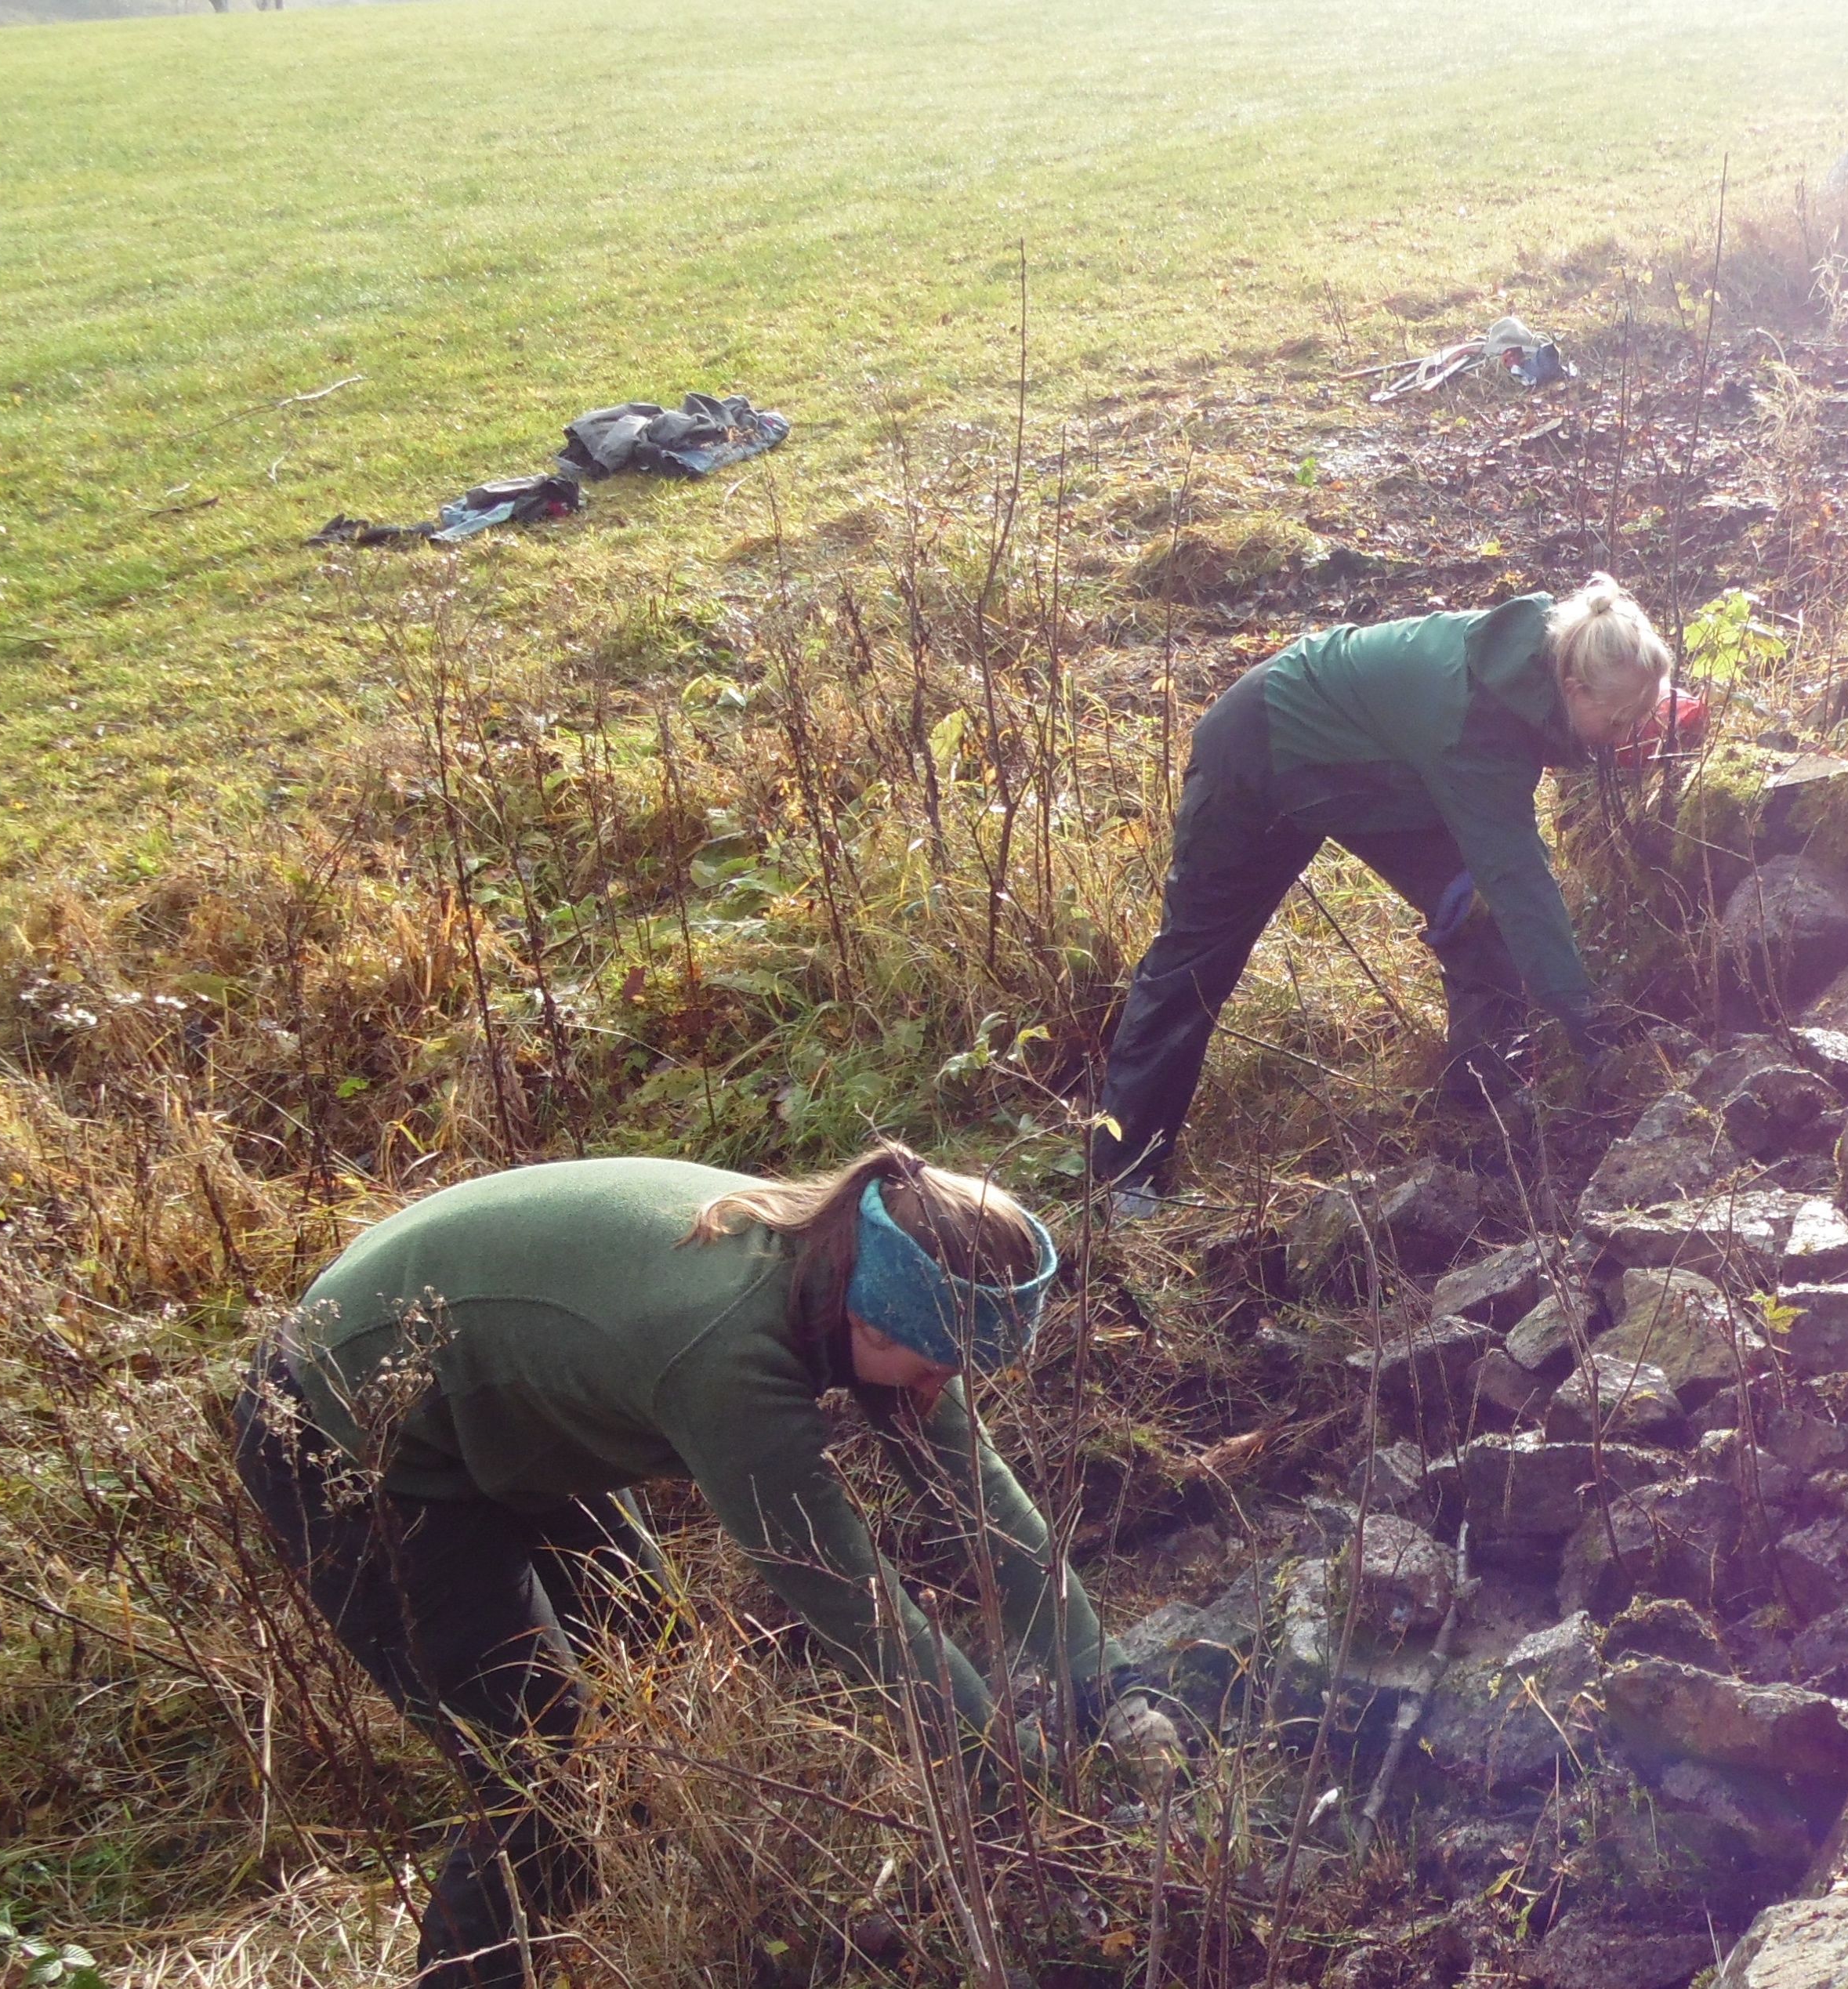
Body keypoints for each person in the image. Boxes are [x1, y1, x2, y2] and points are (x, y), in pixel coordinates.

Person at [237, 1146, 1135, 1989]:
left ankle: (675, 1936)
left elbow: (976, 1494)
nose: (942, 1388)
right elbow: (857, 1605)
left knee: (654, 1678)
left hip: (504, 1400)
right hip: (344, 1431)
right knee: (546, 1770)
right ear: (873, 1313)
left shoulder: (859, 1260)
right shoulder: (725, 1350)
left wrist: (1103, 1680)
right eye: (939, 1365)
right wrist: (1004, 1785)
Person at [1089, 578, 1678, 1212]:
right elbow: (1520, 880)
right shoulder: (1477, 725)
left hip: (1380, 774)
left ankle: (1481, 1115)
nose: (1622, 735)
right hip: (1261, 753)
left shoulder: (1556, 653)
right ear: (1573, 688)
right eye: (1617, 721)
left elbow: (1506, 885)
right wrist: (1584, 1019)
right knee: (1195, 966)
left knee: (1480, 921)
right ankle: (1125, 1173)